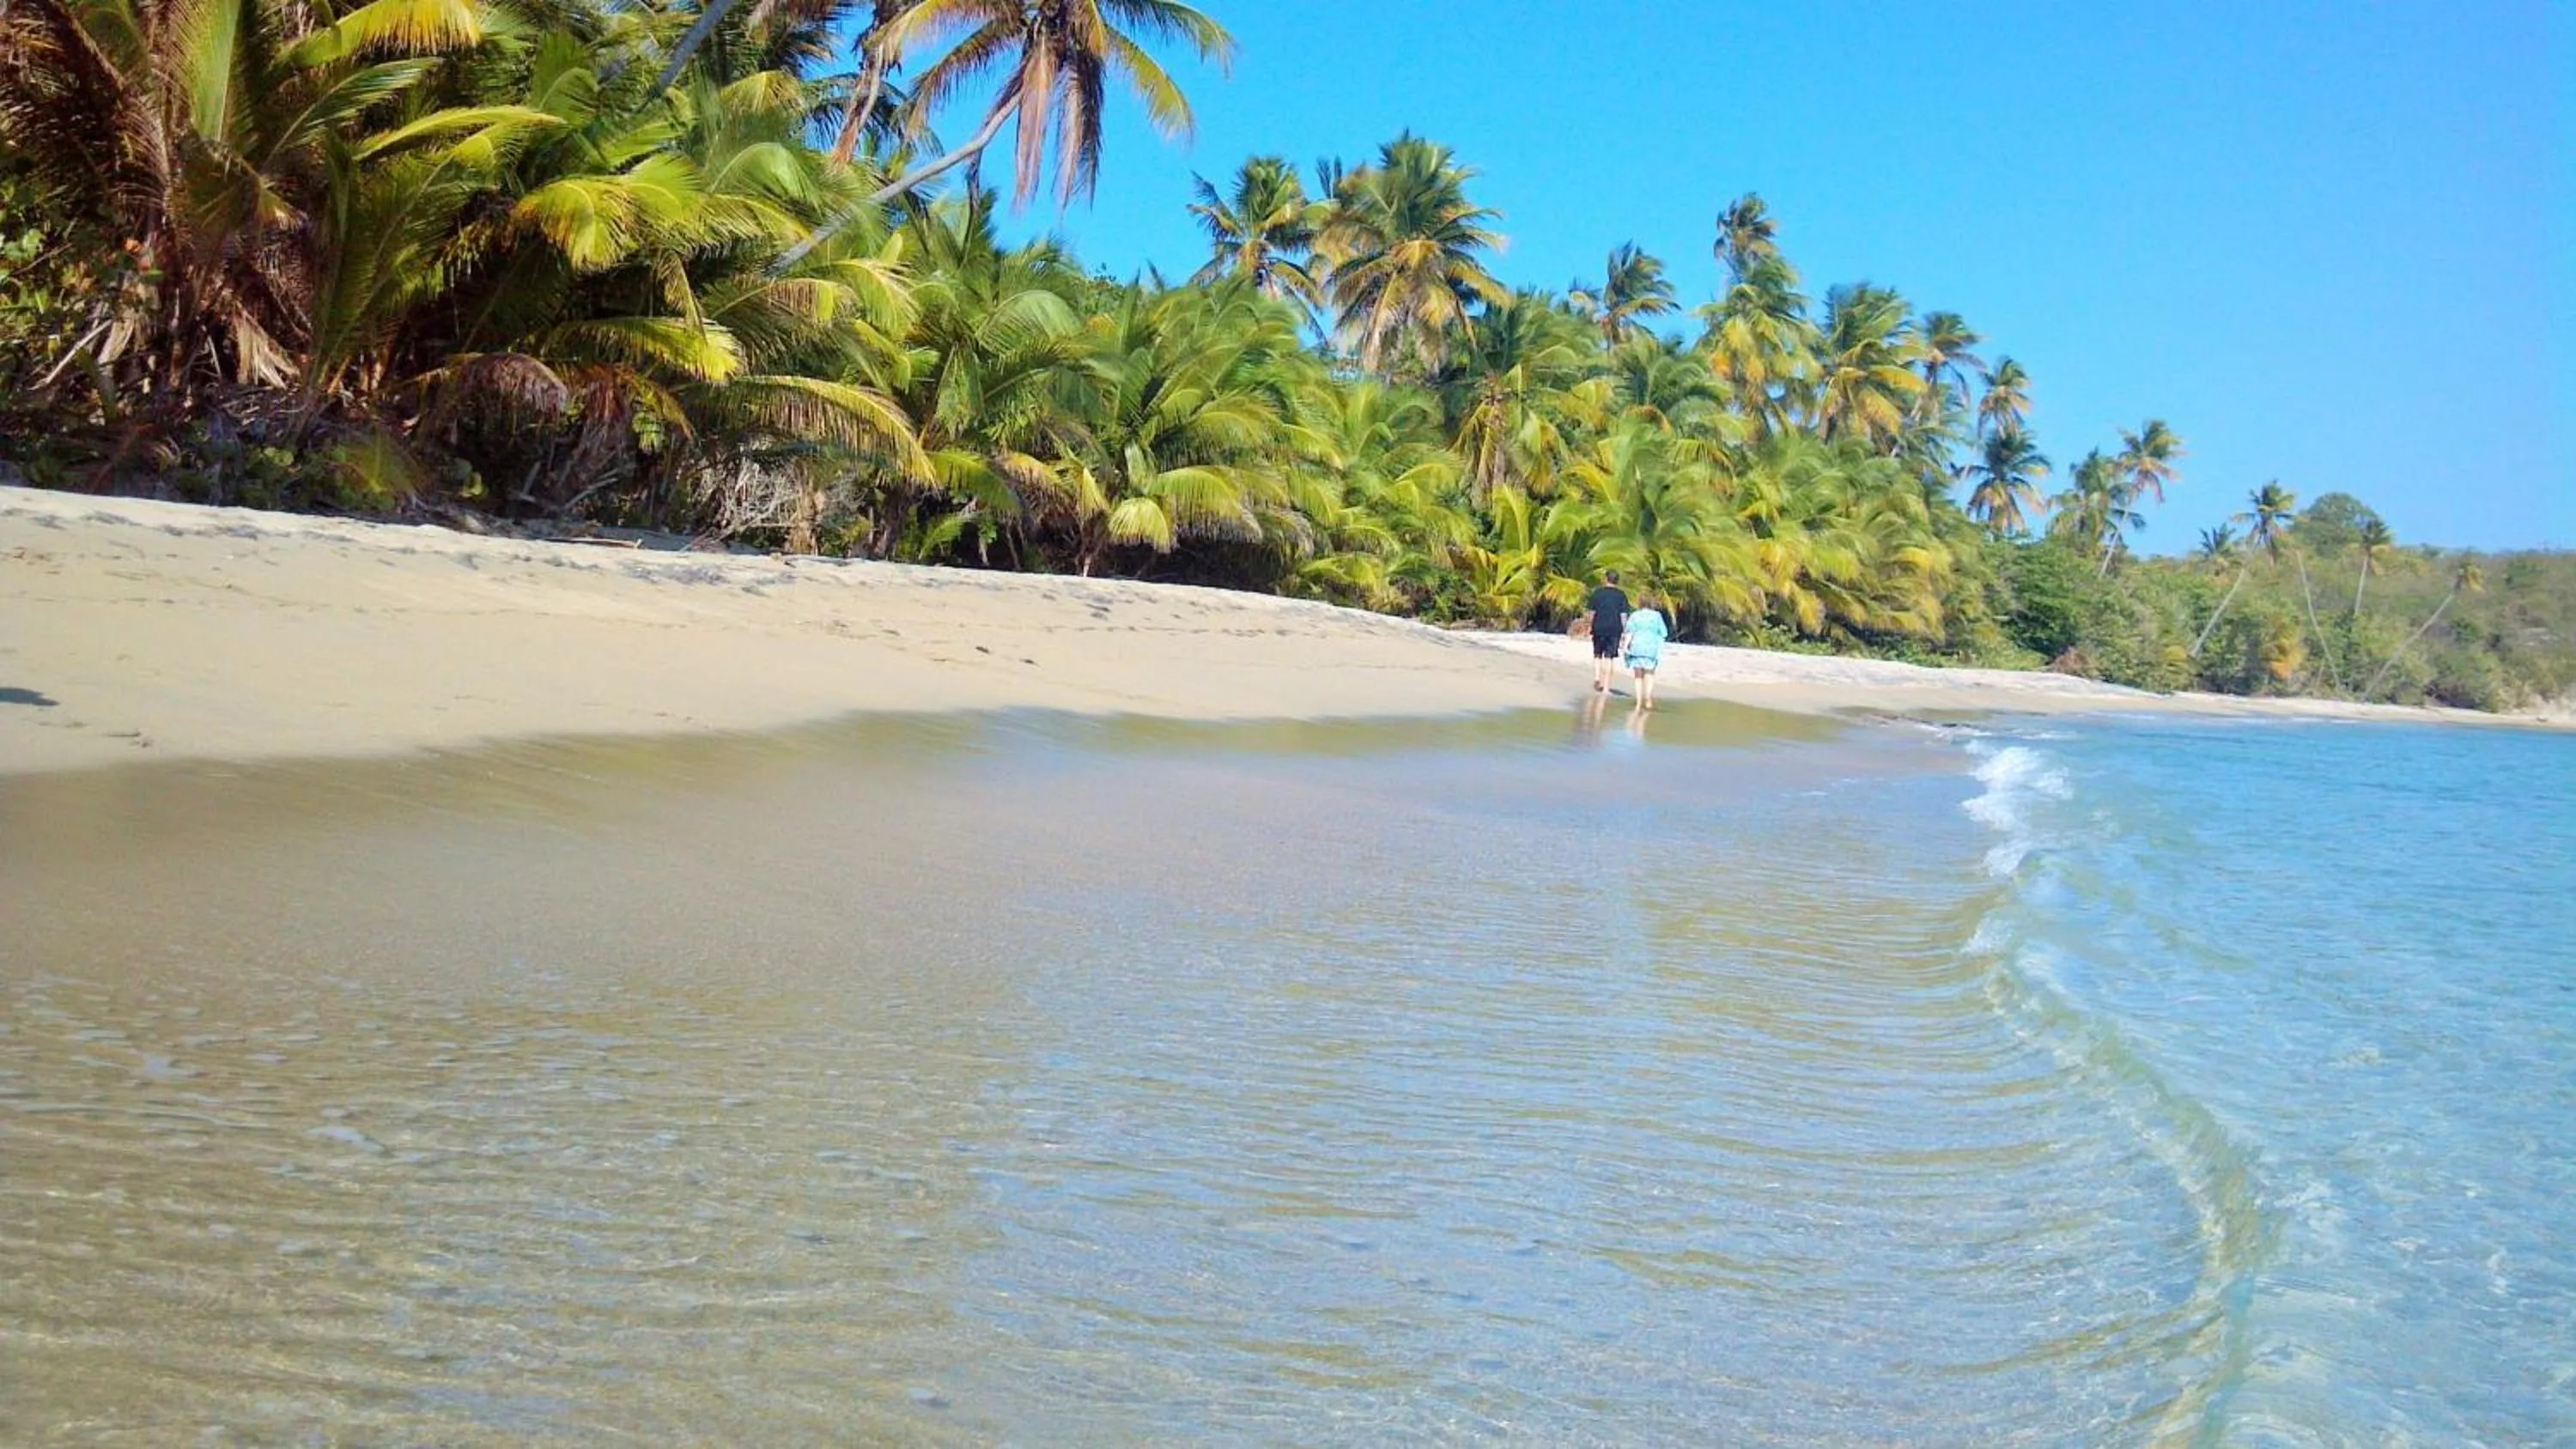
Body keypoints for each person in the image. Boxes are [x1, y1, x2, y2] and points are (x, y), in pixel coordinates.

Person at [1585, 570, 1630, 693]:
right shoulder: (1621, 595)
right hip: (1615, 629)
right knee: (1609, 657)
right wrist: (1625, 632)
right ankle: (1606, 688)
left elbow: (1591, 612)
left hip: (1599, 626)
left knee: (1598, 654)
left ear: (1606, 579)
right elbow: (1623, 615)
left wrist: (1589, 625)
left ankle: (1597, 677)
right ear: (1617, 581)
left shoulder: (1598, 593)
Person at [1621, 596, 1669, 710]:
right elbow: (1664, 632)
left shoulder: (1635, 615)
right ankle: (1647, 697)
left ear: (1640, 603)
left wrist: (1625, 646)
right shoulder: (1657, 616)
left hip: (1637, 647)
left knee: (1638, 676)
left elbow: (1630, 632)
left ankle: (1638, 702)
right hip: (1651, 648)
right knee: (1649, 674)